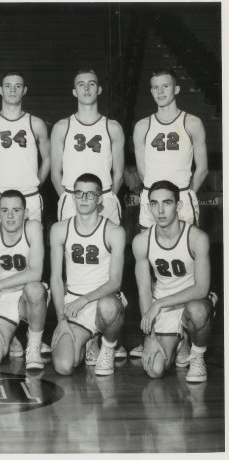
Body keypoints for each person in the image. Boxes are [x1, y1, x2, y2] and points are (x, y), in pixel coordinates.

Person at [131, 68, 208, 358]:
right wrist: (157, 196)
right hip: (152, 199)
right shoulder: (142, 126)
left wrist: (183, 196)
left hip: (181, 198)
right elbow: (141, 169)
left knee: (186, 266)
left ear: (176, 89)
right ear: (151, 92)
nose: (160, 92)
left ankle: (186, 336)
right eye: (155, 88)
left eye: (166, 86)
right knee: (150, 266)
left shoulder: (192, 122)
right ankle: (150, 330)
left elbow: (200, 168)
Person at [132, 180, 214, 383]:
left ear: (178, 206)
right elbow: (143, 290)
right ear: (148, 206)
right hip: (165, 308)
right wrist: (149, 337)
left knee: (197, 311)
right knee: (155, 370)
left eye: (166, 203)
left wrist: (159, 303)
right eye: (154, 204)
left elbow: (202, 288)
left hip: (192, 300)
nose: (160, 210)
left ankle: (197, 355)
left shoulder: (196, 238)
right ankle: (181, 342)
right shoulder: (141, 241)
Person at [50, 173, 127, 376]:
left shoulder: (114, 231)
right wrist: (61, 320)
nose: (83, 199)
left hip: (103, 299)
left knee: (108, 306)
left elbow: (115, 282)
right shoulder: (59, 229)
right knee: (65, 366)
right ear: (72, 196)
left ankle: (107, 348)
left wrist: (83, 301)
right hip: (73, 304)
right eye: (79, 193)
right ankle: (90, 341)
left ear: (100, 198)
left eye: (90, 194)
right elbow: (56, 280)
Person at [0, 189, 48, 370]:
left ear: (25, 213)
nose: (10, 216)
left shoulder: (32, 228)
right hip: (3, 299)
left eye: (16, 210)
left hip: (28, 296)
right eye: (4, 210)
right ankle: (12, 336)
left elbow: (36, 273)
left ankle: (33, 346)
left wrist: (0, 284)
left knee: (35, 288)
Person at [51, 68, 125, 225]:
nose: (86, 88)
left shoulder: (113, 127)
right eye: (81, 84)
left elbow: (119, 173)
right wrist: (66, 197)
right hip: (72, 198)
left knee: (107, 247)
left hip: (104, 198)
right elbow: (55, 173)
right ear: (74, 91)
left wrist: (108, 197)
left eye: (91, 84)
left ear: (98, 90)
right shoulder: (61, 127)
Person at [0, 71, 50, 226]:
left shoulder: (36, 124)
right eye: (8, 86)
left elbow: (48, 158)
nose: (13, 90)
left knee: (31, 245)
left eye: (18, 86)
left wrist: (37, 182)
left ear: (24, 90)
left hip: (29, 195)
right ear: (0, 90)